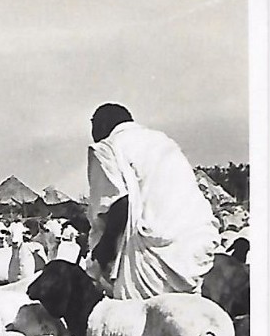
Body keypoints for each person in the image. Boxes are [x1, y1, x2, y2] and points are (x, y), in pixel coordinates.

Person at [86, 103, 219, 300]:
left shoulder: (107, 148)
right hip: (198, 244)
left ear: (101, 124)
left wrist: (100, 255)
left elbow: (119, 206)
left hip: (154, 259)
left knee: (135, 323)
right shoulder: (162, 141)